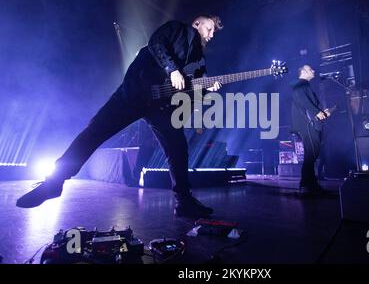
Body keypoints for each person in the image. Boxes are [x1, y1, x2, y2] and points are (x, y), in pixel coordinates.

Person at [17, 15, 223, 217]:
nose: (212, 34)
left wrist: (208, 89)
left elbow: (188, 92)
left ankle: (184, 202)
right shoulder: (177, 29)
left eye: (214, 32)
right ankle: (53, 183)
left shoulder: (198, 59)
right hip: (135, 92)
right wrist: (172, 70)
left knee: (178, 149)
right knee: (95, 132)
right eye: (210, 28)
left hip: (161, 105)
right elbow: (156, 43)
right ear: (197, 23)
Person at [291, 65, 331, 196]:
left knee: (312, 153)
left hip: (310, 122)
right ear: (303, 71)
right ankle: (305, 184)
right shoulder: (299, 84)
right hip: (306, 124)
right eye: (310, 69)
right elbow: (303, 101)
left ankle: (310, 184)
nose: (313, 71)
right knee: (312, 153)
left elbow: (309, 103)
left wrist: (321, 112)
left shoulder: (305, 85)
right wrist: (316, 112)